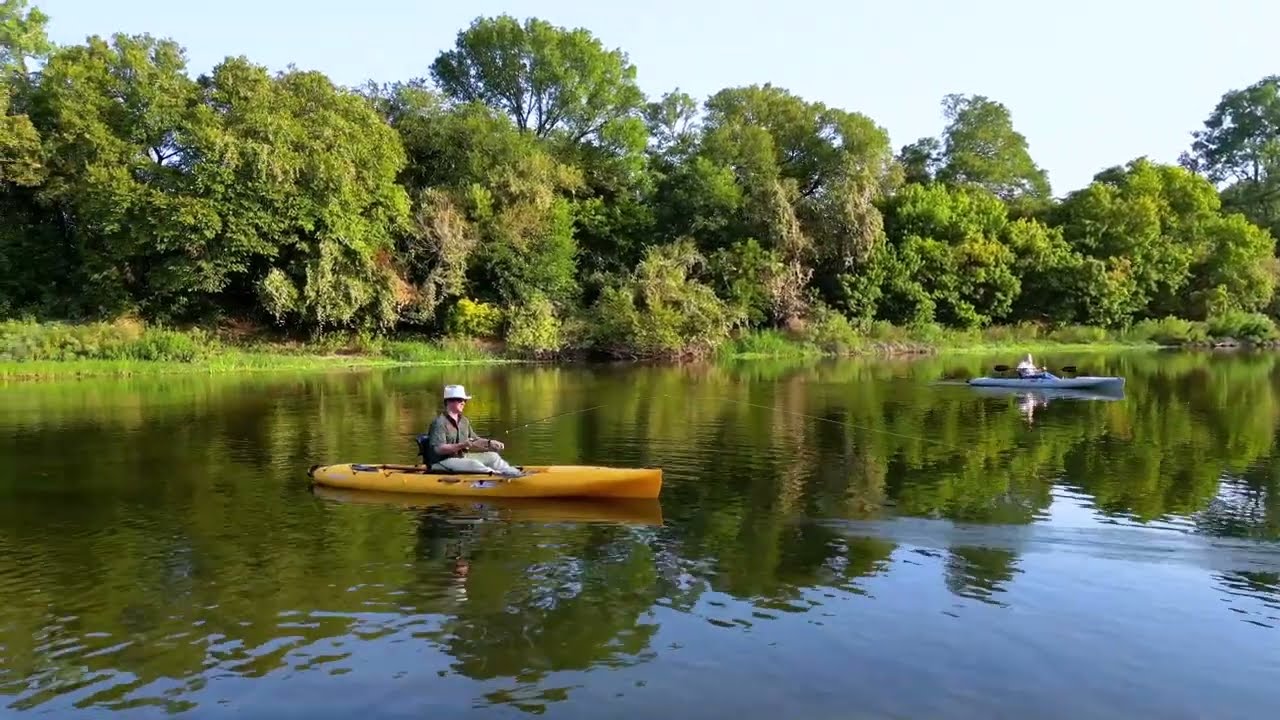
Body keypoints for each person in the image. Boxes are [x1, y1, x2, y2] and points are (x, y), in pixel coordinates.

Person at [420, 384, 525, 477]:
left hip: (461, 457)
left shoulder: (464, 421)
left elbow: (474, 440)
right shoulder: (439, 423)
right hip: (441, 462)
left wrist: (489, 443)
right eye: (461, 400)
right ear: (449, 401)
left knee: (493, 456)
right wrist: (462, 445)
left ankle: (514, 473)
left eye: (464, 400)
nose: (464, 403)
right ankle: (498, 476)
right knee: (473, 464)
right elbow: (439, 449)